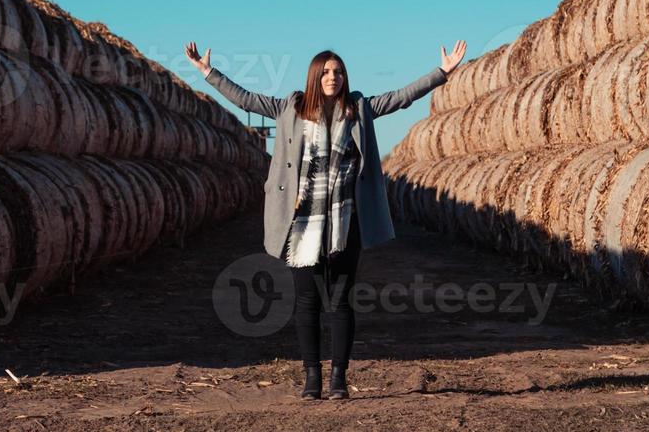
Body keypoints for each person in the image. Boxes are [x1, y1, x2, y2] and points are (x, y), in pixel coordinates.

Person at [185, 42, 467, 400]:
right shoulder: (292, 107)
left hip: (346, 220)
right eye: (327, 72)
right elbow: (246, 100)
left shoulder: (359, 108)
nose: (333, 77)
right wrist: (207, 72)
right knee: (307, 302)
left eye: (339, 72)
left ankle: (339, 378)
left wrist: (441, 73)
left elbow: (401, 97)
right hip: (302, 222)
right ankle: (311, 377)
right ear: (315, 76)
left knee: (341, 300)